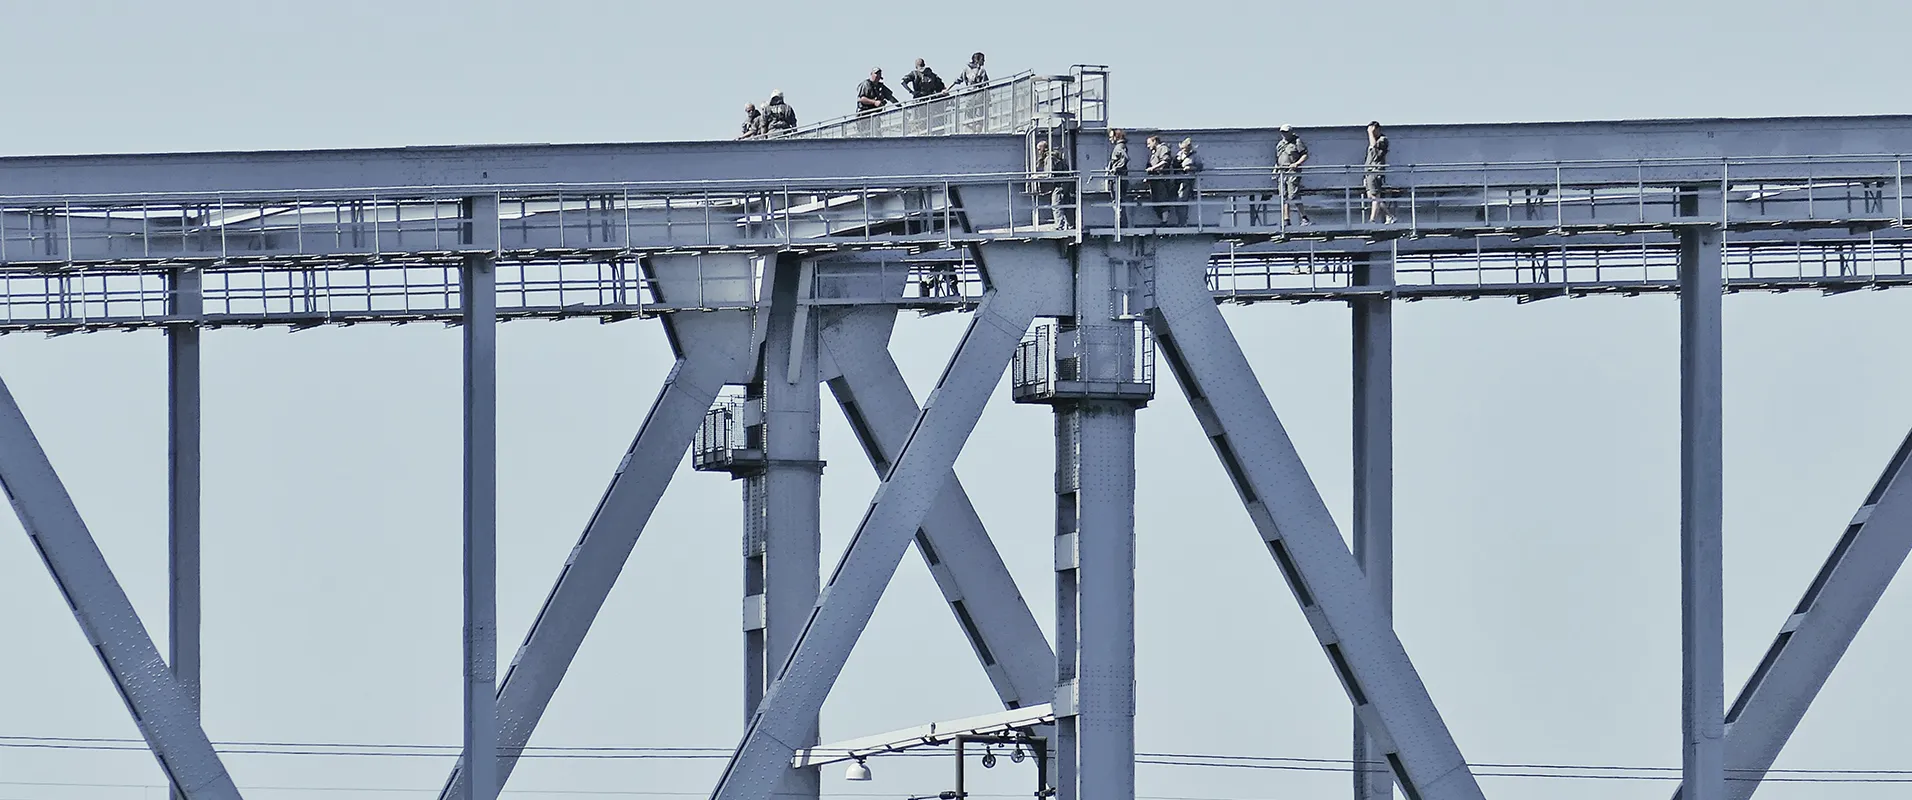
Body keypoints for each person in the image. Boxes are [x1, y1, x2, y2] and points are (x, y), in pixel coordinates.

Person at [1275, 125, 1311, 226]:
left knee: (1293, 195)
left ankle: (1304, 218)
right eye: (1282, 132)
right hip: (1282, 172)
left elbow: (1305, 154)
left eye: (1286, 132)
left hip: (1292, 171)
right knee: (1284, 196)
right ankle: (1286, 220)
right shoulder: (1280, 144)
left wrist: (1297, 163)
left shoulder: (1297, 142)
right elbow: (1278, 158)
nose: (1284, 134)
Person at [1033, 140, 1074, 228]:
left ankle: (1060, 226)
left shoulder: (1050, 158)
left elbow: (1049, 174)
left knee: (1056, 204)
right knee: (1066, 205)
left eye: (1039, 149)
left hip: (1060, 184)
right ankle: (1071, 225)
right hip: (1066, 182)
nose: (1038, 152)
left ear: (1043, 149)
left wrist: (1037, 176)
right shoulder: (1054, 157)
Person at [1364, 121, 1396, 224]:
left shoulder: (1383, 140)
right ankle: (1389, 216)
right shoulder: (1375, 140)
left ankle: (1372, 220)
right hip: (1369, 172)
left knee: (1375, 196)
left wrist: (1370, 133)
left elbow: (1375, 149)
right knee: (1371, 196)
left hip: (1375, 171)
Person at [1145, 134, 1177, 225]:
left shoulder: (1163, 149)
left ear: (1155, 141)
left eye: (1149, 143)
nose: (1148, 146)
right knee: (1156, 202)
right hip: (1154, 180)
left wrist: (1153, 168)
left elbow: (1165, 161)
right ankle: (1162, 219)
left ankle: (1164, 221)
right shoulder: (1154, 153)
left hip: (1161, 179)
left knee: (1162, 200)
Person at [1106, 129, 1131, 225]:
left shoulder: (1120, 147)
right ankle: (1121, 222)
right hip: (1117, 179)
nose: (1110, 138)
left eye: (1111, 136)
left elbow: (1125, 158)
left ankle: (1121, 223)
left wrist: (1115, 168)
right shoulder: (1119, 146)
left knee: (1118, 201)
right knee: (1118, 201)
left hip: (1118, 179)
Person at [1176, 137, 1202, 226]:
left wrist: (1191, 168)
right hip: (1177, 179)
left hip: (1187, 180)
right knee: (1177, 200)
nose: (1184, 150)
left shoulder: (1195, 156)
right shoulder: (1179, 154)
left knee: (1182, 199)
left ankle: (1182, 222)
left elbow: (1200, 167)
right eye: (1182, 148)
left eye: (1185, 149)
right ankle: (1181, 221)